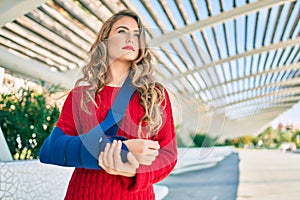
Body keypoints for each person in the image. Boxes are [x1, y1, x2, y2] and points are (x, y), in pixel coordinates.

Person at [51, 9, 177, 200]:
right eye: (122, 31)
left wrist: (132, 172)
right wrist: (123, 149)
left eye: (137, 34)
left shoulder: (155, 95)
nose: (131, 38)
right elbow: (54, 148)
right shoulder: (81, 95)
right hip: (84, 193)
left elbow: (168, 154)